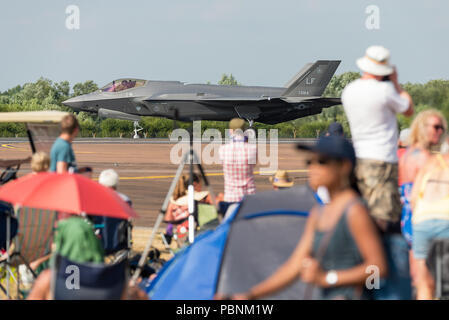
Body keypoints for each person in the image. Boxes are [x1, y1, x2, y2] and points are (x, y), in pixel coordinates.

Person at [217, 136, 386, 300]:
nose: (312, 168)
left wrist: (328, 278)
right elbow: (295, 265)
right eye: (309, 162)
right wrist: (250, 295)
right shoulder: (318, 213)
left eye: (321, 162)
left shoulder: (355, 210)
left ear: (344, 166)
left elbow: (378, 268)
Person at [342, 45, 414, 231]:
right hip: (382, 161)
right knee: (385, 218)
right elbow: (408, 109)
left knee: (364, 214)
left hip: (358, 159)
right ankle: (381, 258)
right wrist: (396, 83)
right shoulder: (385, 91)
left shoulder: (349, 90)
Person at [399, 110, 446, 246]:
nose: (440, 132)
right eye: (436, 127)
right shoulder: (424, 157)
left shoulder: (409, 153)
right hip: (420, 215)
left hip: (408, 214)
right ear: (422, 128)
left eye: (441, 128)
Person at [411, 147, 449, 299]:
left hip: (422, 220)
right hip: (446, 218)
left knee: (424, 282)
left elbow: (413, 197)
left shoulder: (429, 163)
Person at [218, 118, 257, 215]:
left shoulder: (223, 149)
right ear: (244, 131)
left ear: (230, 131)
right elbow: (253, 165)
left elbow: (222, 164)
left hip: (231, 196)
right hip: (249, 196)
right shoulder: (252, 149)